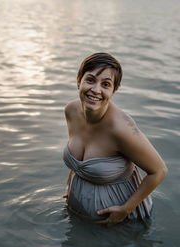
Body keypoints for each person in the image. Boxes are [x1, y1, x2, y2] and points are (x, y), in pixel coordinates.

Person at [63, 52, 167, 225]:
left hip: (122, 222)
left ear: (114, 90)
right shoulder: (71, 111)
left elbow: (159, 171)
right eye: (90, 80)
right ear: (78, 80)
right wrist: (69, 185)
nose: (96, 90)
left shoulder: (121, 129)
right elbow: (78, 155)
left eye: (105, 84)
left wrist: (125, 210)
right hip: (79, 214)